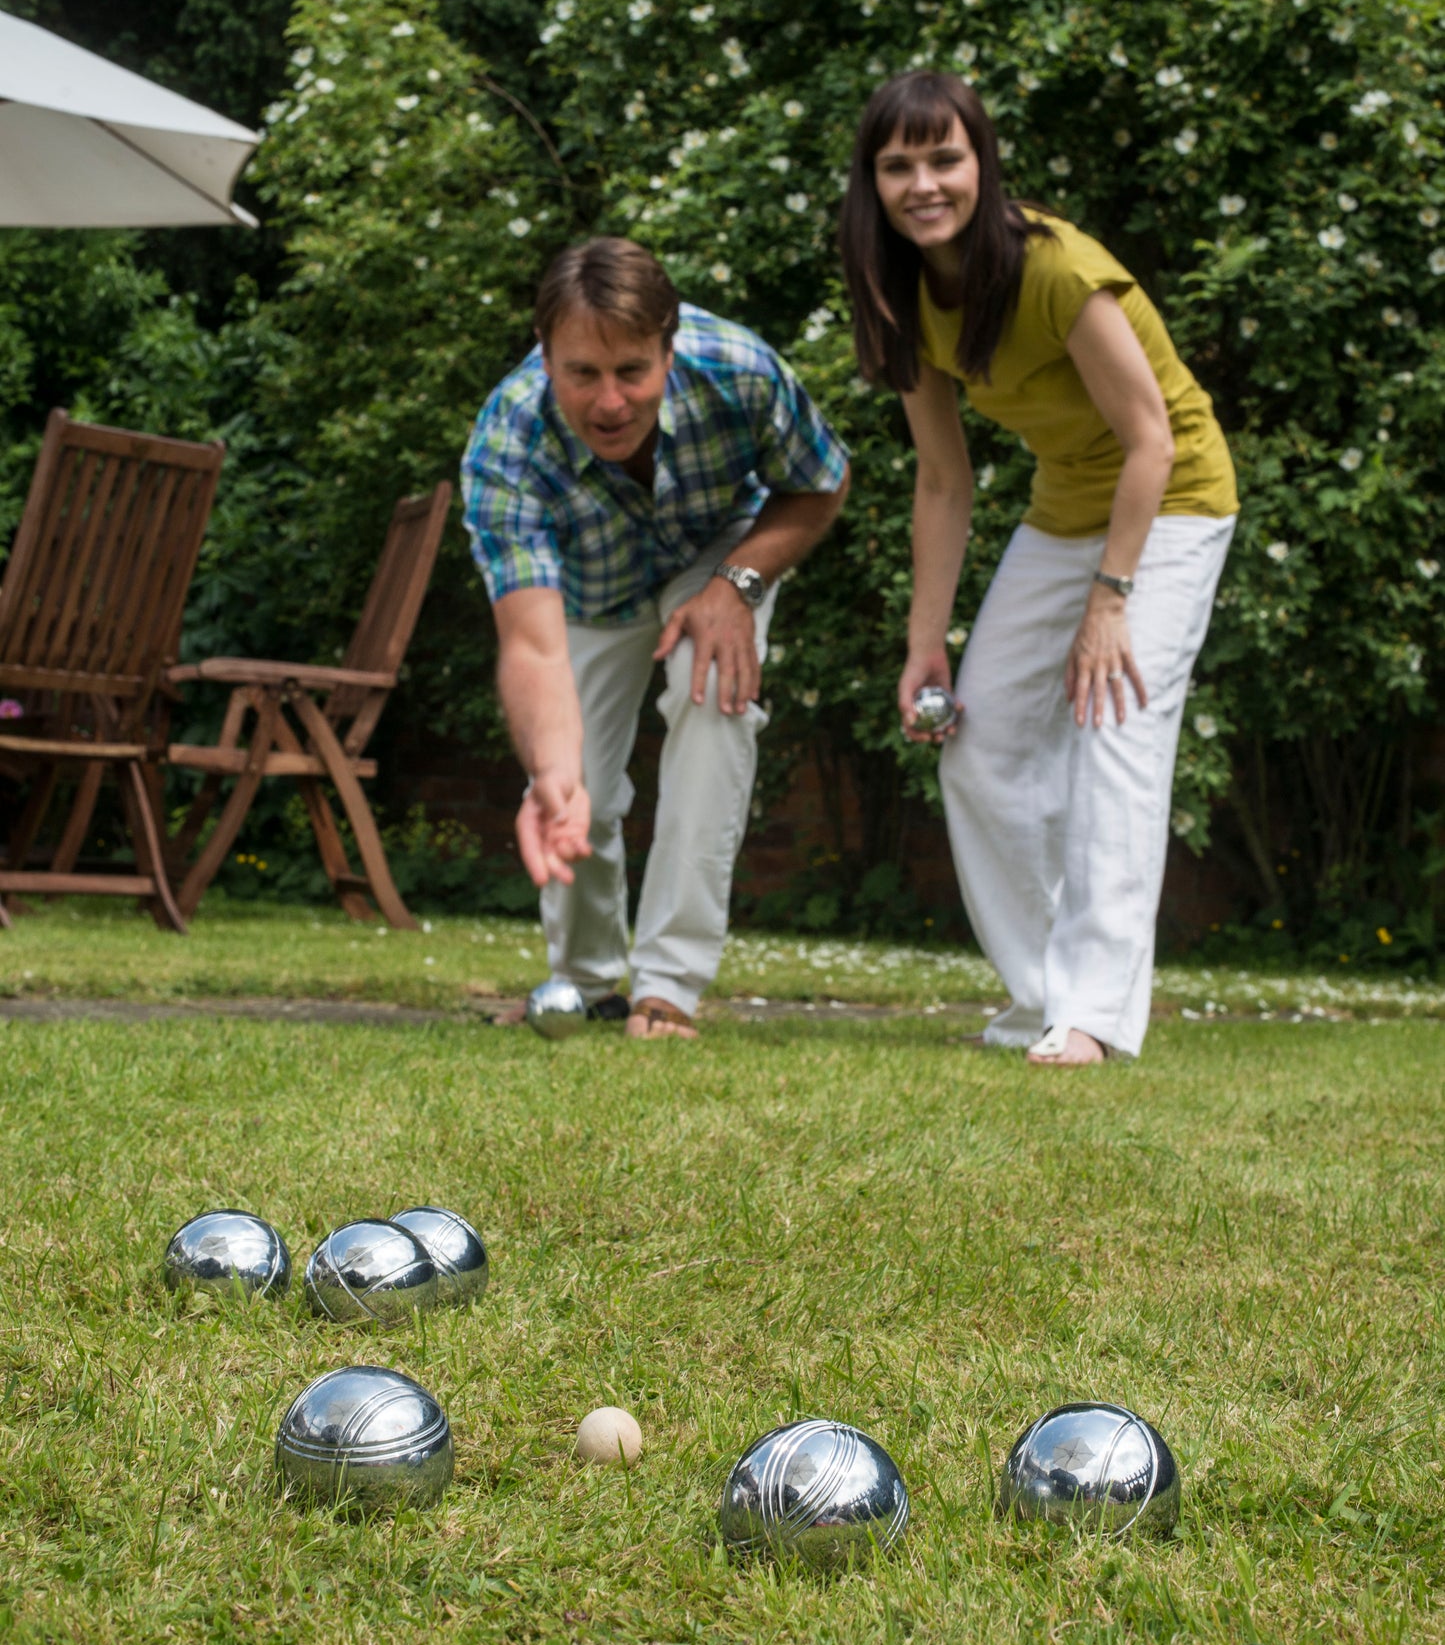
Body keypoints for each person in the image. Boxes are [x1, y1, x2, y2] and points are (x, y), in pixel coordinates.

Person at [839, 72, 1238, 1064]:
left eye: (943, 158)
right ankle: (1042, 994)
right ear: (872, 182)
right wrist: (923, 643)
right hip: (1065, 507)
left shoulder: (1056, 269)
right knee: (975, 744)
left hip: (1173, 501)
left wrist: (1110, 603)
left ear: (981, 162)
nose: (922, 183)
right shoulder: (900, 290)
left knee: (1113, 728)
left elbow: (1148, 439)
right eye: (898, 165)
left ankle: (1093, 1016)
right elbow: (942, 479)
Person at [462, 237, 850, 1038]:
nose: (609, 403)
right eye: (581, 374)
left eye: (631, 371)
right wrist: (553, 769)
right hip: (589, 593)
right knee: (577, 786)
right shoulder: (507, 443)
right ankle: (587, 981)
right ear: (545, 355)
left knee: (712, 698)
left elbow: (819, 484)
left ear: (669, 349)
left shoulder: (739, 370)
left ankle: (667, 989)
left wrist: (736, 586)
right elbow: (533, 647)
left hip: (718, 553)